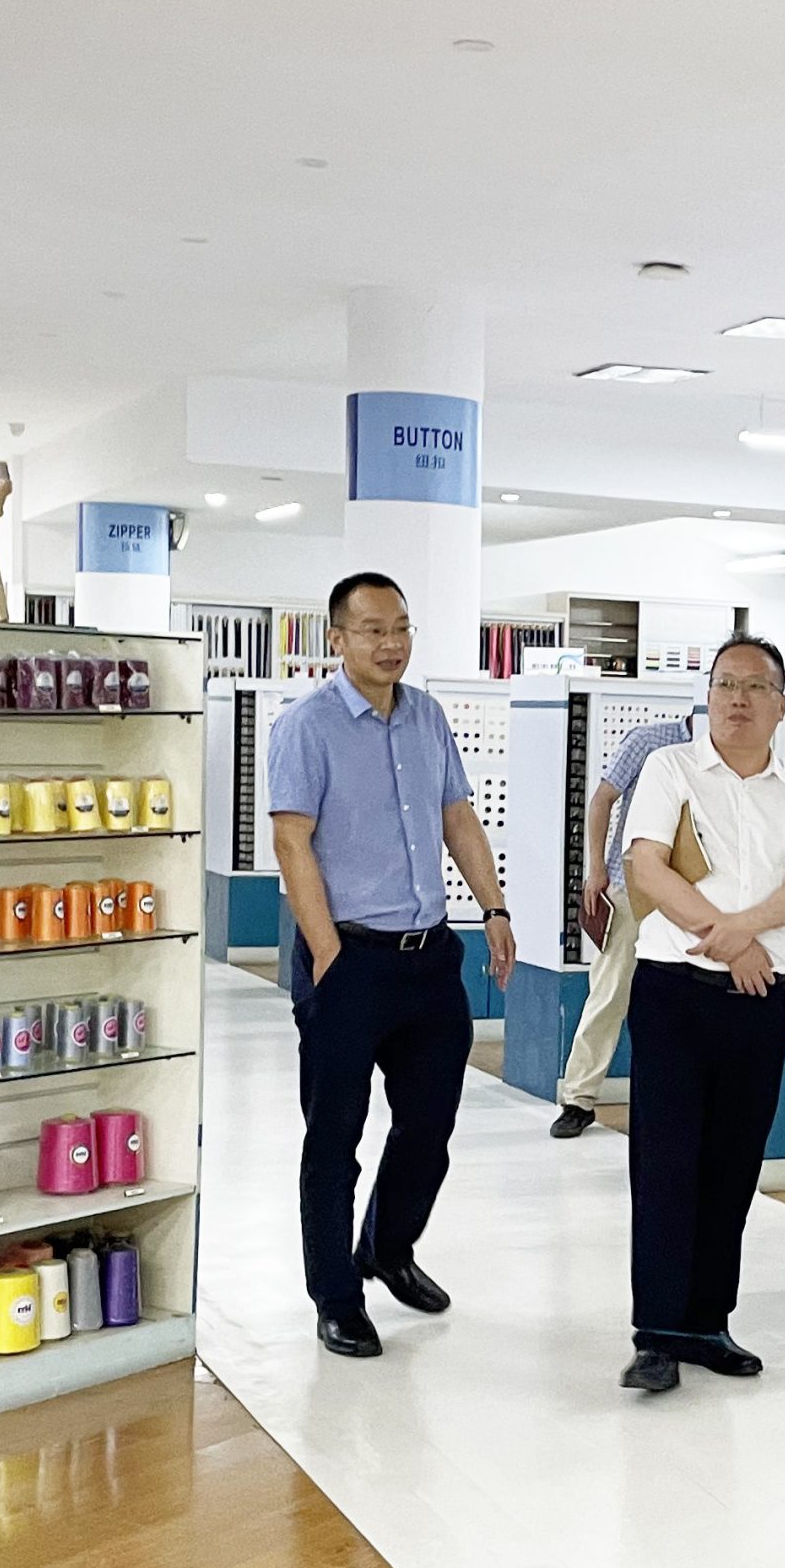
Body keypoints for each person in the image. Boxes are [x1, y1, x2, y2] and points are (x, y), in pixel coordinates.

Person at [269, 572, 518, 1358]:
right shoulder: (306, 726)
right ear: (337, 639)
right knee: (334, 1139)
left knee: (429, 1125)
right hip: (348, 959)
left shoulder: (427, 717)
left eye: (401, 628)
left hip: (428, 959)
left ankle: (387, 1247)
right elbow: (291, 841)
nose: (391, 644)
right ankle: (336, 1296)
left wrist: (494, 908)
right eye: (373, 629)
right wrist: (327, 952)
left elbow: (458, 818)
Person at [616, 636, 785, 1394]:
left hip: (759, 995)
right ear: (707, 695)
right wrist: (728, 938)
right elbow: (647, 867)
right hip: (674, 988)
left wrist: (744, 935)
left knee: (733, 1162)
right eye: (725, 685)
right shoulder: (669, 768)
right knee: (665, 1162)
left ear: (781, 705)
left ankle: (708, 1322)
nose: (738, 699)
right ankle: (656, 1333)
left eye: (755, 687)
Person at [548, 705, 695, 1138]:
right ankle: (578, 1098)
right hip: (631, 887)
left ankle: (675, 1100)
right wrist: (596, 870)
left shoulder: (723, 756)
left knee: (682, 996)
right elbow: (602, 799)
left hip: (691, 893)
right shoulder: (648, 741)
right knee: (610, 991)